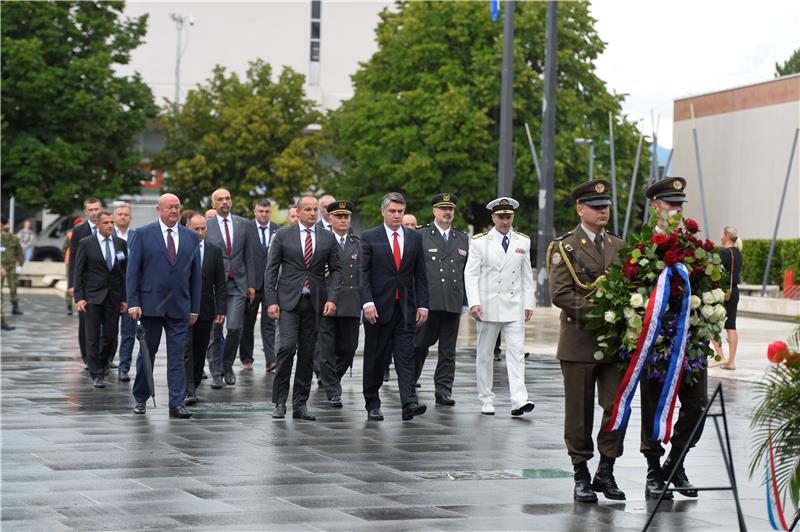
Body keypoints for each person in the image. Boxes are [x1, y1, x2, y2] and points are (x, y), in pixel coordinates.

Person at [547, 180, 627, 503]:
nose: (603, 211)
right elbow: (560, 293)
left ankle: (605, 469)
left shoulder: (619, 247)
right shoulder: (564, 247)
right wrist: (602, 313)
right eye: (596, 207)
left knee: (616, 408)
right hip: (579, 342)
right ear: (581, 209)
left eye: (606, 206)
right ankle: (580, 474)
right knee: (579, 413)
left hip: (612, 345)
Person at [640, 176, 706, 500]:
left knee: (698, 404)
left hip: (691, 339)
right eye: (671, 203)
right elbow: (634, 293)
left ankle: (674, 464)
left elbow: (708, 289)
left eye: (681, 204)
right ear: (656, 206)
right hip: (657, 340)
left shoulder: (696, 248)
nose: (677, 209)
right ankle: (654, 471)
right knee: (653, 404)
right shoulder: (644, 247)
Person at [265, 195, 342, 421]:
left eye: (315, 209)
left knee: (308, 354)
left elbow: (337, 269)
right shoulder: (282, 235)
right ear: (297, 212)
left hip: (315, 302)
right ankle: (279, 402)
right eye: (307, 209)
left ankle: (300, 404)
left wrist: (332, 297)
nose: (312, 213)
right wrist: (271, 301)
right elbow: (271, 270)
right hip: (289, 301)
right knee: (286, 348)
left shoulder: (327, 237)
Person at [127, 194, 201, 418]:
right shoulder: (142, 234)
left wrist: (194, 307)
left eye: (177, 207)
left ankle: (176, 403)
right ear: (159, 210)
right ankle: (141, 397)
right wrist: (133, 303)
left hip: (180, 306)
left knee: (177, 355)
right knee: (147, 354)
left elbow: (196, 276)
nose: (174, 211)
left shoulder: (190, 237)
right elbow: (133, 272)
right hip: (150, 305)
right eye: (170, 207)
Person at [358, 192, 429, 422]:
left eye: (400, 211)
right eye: (392, 211)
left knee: (405, 355)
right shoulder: (370, 237)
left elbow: (420, 274)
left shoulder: (414, 238)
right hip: (378, 309)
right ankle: (372, 403)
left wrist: (423, 305)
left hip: (405, 308)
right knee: (376, 358)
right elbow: (363, 273)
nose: (397, 215)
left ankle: (409, 402)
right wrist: (367, 302)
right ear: (383, 212)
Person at [464, 197, 535, 417]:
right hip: (488, 306)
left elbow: (527, 275)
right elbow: (471, 274)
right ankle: (486, 398)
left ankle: (518, 400)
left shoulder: (523, 241)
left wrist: (529, 303)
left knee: (517, 353)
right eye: (501, 216)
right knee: (484, 355)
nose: (505, 220)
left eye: (509, 216)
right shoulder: (479, 242)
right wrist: (474, 302)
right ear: (493, 217)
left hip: (514, 306)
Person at [413, 194, 468, 405]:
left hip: (452, 302)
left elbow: (466, 273)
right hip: (428, 302)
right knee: (419, 345)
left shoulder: (461, 238)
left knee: (448, 350)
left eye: (450, 209)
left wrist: (466, 301)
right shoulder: (421, 235)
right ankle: (410, 382)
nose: (447, 212)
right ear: (434, 211)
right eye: (443, 208)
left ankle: (443, 390)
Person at [205, 188, 256, 388]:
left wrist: (251, 284)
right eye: (220, 199)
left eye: (228, 198)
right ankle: (216, 371)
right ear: (213, 204)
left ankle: (227, 365)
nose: (225, 202)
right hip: (215, 286)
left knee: (234, 327)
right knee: (214, 330)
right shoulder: (206, 226)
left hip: (238, 284)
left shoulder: (243, 224)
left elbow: (248, 255)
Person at [73, 211, 128, 388]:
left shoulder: (121, 244)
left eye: (112, 222)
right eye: (106, 223)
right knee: (92, 336)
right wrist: (79, 297)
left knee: (111, 336)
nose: (111, 225)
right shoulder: (86, 243)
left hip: (113, 297)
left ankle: (103, 364)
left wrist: (125, 298)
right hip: (92, 297)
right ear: (98, 225)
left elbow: (124, 274)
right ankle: (96, 373)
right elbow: (79, 271)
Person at [317, 201, 361, 408]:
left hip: (351, 302)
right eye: (339, 217)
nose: (343, 220)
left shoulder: (357, 242)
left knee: (348, 348)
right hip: (327, 301)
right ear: (330, 219)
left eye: (346, 217)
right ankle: (333, 390)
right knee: (326, 349)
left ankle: (330, 379)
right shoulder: (322, 241)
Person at [181, 212, 226, 406]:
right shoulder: (180, 249)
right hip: (182, 308)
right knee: (185, 349)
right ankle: (187, 388)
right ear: (186, 229)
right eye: (196, 229)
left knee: (200, 350)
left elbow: (220, 283)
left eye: (203, 229)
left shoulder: (213, 250)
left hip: (206, 308)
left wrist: (221, 309)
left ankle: (195, 383)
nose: (200, 232)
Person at [241, 199, 280, 372]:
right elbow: (243, 256)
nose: (263, 214)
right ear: (254, 212)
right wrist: (248, 283)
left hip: (271, 285)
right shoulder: (246, 229)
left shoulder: (278, 230)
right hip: (252, 284)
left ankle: (271, 360)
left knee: (269, 322)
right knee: (247, 324)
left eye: (266, 211)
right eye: (260, 211)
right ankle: (246, 357)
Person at [69, 198, 103, 367]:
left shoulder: (108, 227)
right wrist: (73, 286)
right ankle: (87, 356)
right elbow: (73, 261)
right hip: (86, 285)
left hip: (105, 285)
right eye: (91, 210)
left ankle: (104, 356)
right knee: (86, 324)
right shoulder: (79, 231)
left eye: (97, 209)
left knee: (106, 325)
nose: (95, 212)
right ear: (85, 211)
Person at [712, 226, 743, 370]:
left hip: (722, 293)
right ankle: (731, 362)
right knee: (731, 325)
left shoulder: (723, 252)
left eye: (721, 234)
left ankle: (721, 356)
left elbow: (714, 271)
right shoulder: (738, 252)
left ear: (725, 236)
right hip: (734, 292)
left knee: (711, 325)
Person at [113, 204, 136, 381]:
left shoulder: (137, 236)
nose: (122, 217)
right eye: (119, 214)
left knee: (128, 333)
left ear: (130, 217)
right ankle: (104, 363)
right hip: (110, 292)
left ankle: (124, 368)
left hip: (131, 293)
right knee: (107, 333)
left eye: (126, 214)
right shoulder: (107, 236)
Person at [1, 217, 23, 320]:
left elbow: (20, 254)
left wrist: (19, 267)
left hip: (11, 267)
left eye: (7, 224)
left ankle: (15, 307)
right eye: (5, 224)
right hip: (1, 266)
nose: (6, 226)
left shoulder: (14, 238)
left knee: (13, 287)